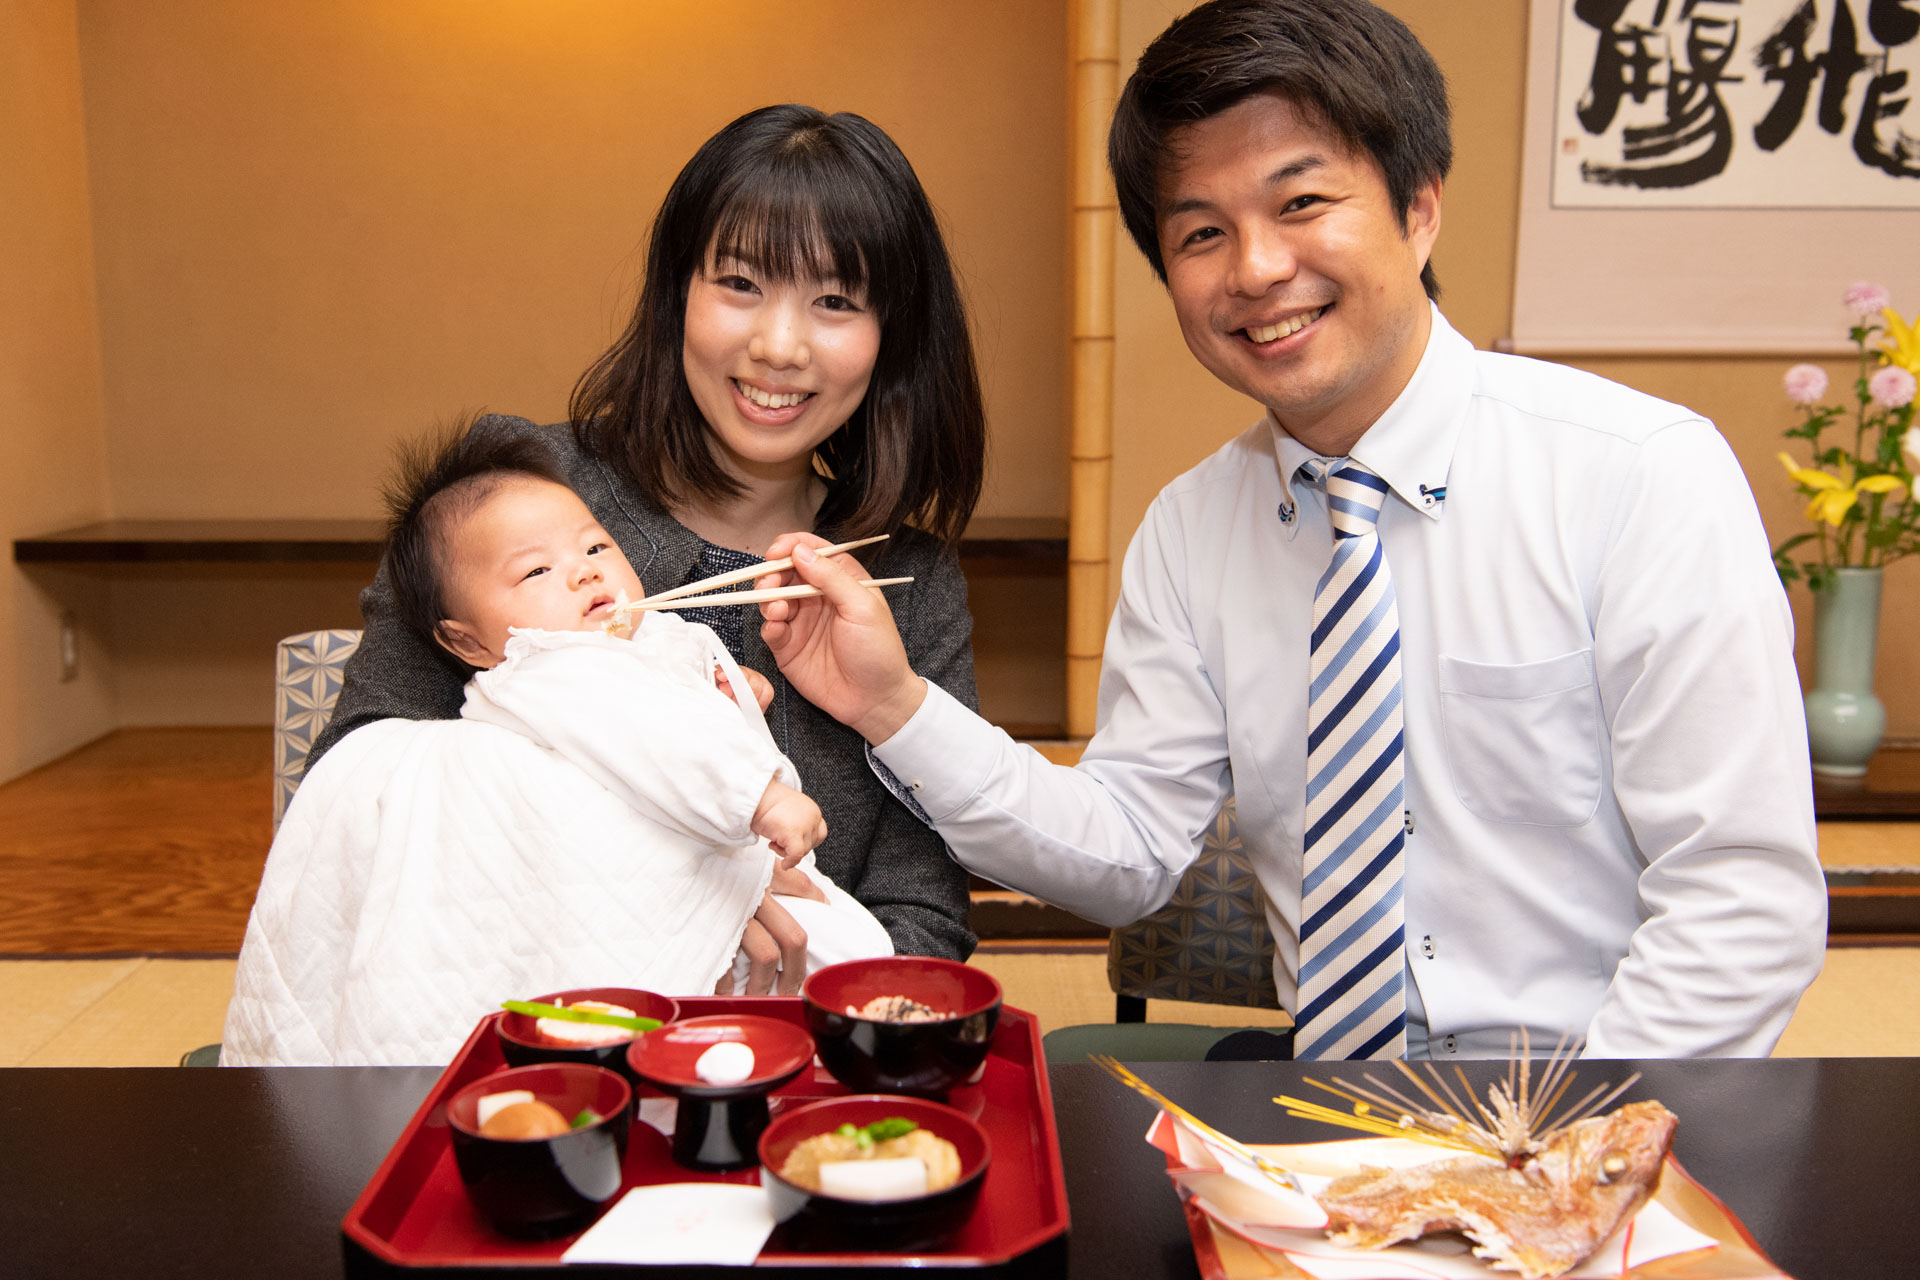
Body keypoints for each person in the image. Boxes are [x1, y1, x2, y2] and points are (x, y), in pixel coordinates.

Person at [755, 0, 1827, 1060]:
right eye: (1203, 232)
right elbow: (1128, 851)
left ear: (1419, 205)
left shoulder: (1637, 474)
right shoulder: (1190, 531)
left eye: (1302, 200)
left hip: (1591, 1102)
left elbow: (1741, 900)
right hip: (1326, 1115)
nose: (1257, 269)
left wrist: (1543, 1161)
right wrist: (892, 703)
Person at [307, 104, 987, 980]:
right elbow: (356, 791)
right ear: (677, 292)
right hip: (519, 1027)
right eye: (739, 284)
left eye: (835, 301)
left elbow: (923, 915)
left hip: (790, 1043)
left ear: (891, 338)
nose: (779, 347)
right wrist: (672, 889)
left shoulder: (905, 580)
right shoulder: (522, 503)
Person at [223, 429, 893, 1066]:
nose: (581, 573)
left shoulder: (641, 640)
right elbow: (649, 736)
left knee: (857, 956)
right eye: (537, 570)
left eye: (596, 548)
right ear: (466, 643)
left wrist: (732, 699)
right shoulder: (551, 665)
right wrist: (762, 795)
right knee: (853, 967)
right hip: (661, 885)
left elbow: (668, 728)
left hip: (737, 873)